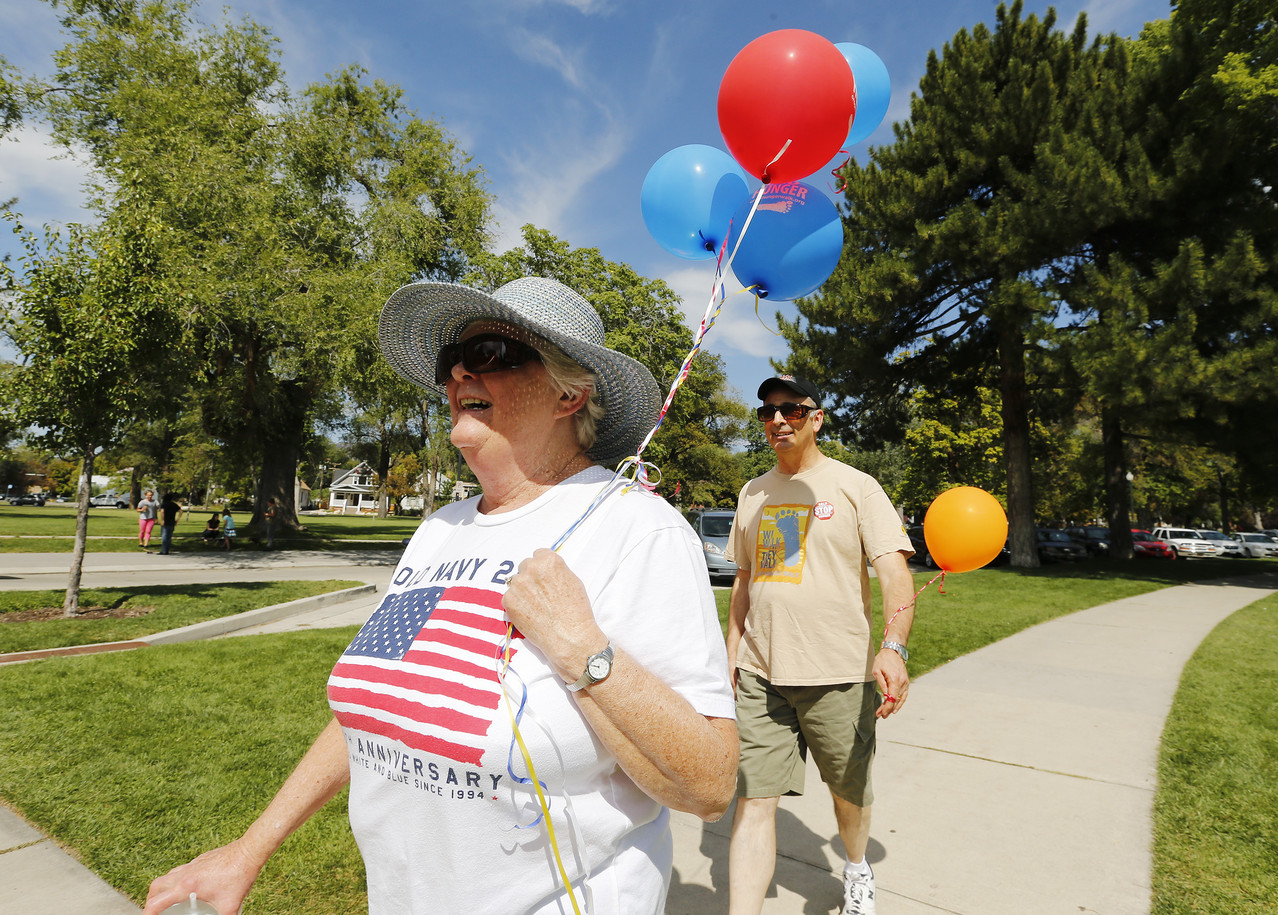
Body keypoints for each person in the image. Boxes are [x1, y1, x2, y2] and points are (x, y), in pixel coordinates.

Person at [145, 276, 738, 915]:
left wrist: (583, 652)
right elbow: (374, 709)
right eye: (452, 359)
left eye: (491, 352)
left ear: (571, 395)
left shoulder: (637, 529)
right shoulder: (439, 530)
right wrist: (250, 848)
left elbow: (708, 782)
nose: (458, 370)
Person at [724, 374, 916, 915]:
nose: (778, 419)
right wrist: (731, 653)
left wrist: (893, 647)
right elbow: (746, 580)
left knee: (848, 792)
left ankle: (856, 867)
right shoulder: (753, 491)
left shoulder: (856, 486)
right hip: (762, 675)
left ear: (817, 417)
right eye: (767, 412)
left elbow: (895, 576)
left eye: (791, 409)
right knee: (754, 801)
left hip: (838, 672)